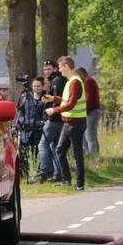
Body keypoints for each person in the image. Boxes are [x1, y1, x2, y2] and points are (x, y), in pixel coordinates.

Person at [47, 56, 87, 191]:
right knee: (60, 150)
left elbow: (71, 104)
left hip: (75, 123)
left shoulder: (75, 82)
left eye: (60, 67)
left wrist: (54, 110)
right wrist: (54, 98)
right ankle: (67, 180)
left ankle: (80, 183)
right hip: (68, 122)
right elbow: (66, 100)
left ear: (66, 67)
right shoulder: (70, 81)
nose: (59, 70)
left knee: (77, 153)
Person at [35, 59, 66, 183]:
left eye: (49, 69)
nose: (46, 71)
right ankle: (58, 173)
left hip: (54, 119)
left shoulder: (56, 81)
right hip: (59, 119)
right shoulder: (56, 80)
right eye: (45, 69)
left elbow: (56, 100)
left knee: (43, 145)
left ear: (55, 69)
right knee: (55, 147)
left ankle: (44, 172)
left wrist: (50, 109)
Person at [17, 76, 46, 180]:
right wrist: (22, 121)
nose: (36, 88)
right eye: (34, 86)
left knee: (39, 152)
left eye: (38, 86)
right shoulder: (26, 98)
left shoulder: (45, 99)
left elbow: (46, 114)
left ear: (42, 87)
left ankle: (40, 173)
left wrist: (42, 122)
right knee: (24, 152)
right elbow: (20, 111)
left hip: (39, 131)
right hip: (26, 130)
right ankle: (25, 173)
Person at [78, 67, 102, 155]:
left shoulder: (88, 81)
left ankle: (93, 156)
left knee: (90, 135)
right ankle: (90, 155)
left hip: (91, 112)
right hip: (92, 111)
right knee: (87, 135)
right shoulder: (90, 80)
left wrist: (84, 112)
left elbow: (89, 99)